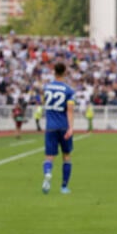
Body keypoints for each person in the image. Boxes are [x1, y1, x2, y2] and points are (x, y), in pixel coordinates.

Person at [41, 62, 76, 195]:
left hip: (50, 126)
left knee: (49, 156)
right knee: (66, 156)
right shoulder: (68, 90)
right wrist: (71, 128)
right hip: (64, 126)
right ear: (65, 72)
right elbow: (70, 111)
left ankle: (48, 173)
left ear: (54, 71)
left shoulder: (46, 88)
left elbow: (46, 105)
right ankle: (64, 187)